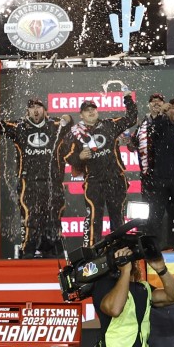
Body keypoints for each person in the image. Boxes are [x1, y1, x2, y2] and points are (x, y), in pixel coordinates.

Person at [91, 242, 174, 347]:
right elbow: (115, 309)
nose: (131, 262)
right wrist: (125, 271)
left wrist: (161, 269)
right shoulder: (103, 284)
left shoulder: (143, 288)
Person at [0, 97, 74, 258]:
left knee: (53, 218)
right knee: (30, 217)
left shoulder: (55, 125)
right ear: (27, 111)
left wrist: (67, 117)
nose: (35, 110)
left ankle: (53, 253)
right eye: (32, 108)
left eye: (39, 107)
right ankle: (28, 253)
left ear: (45, 110)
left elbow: (69, 122)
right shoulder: (20, 127)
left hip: (52, 182)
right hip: (28, 182)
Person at [70, 94, 139, 247]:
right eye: (87, 110)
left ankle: (120, 251)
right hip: (93, 181)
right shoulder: (75, 133)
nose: (91, 112)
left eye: (93, 109)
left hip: (115, 178)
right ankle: (93, 253)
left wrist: (127, 98)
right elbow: (67, 156)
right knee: (94, 218)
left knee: (118, 218)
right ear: (81, 114)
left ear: (98, 111)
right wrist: (79, 157)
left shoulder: (110, 124)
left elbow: (131, 118)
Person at [144, 97, 174, 249]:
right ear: (169, 111)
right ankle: (153, 248)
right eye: (173, 108)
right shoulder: (161, 126)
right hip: (160, 180)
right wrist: (160, 114)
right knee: (155, 216)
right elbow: (150, 131)